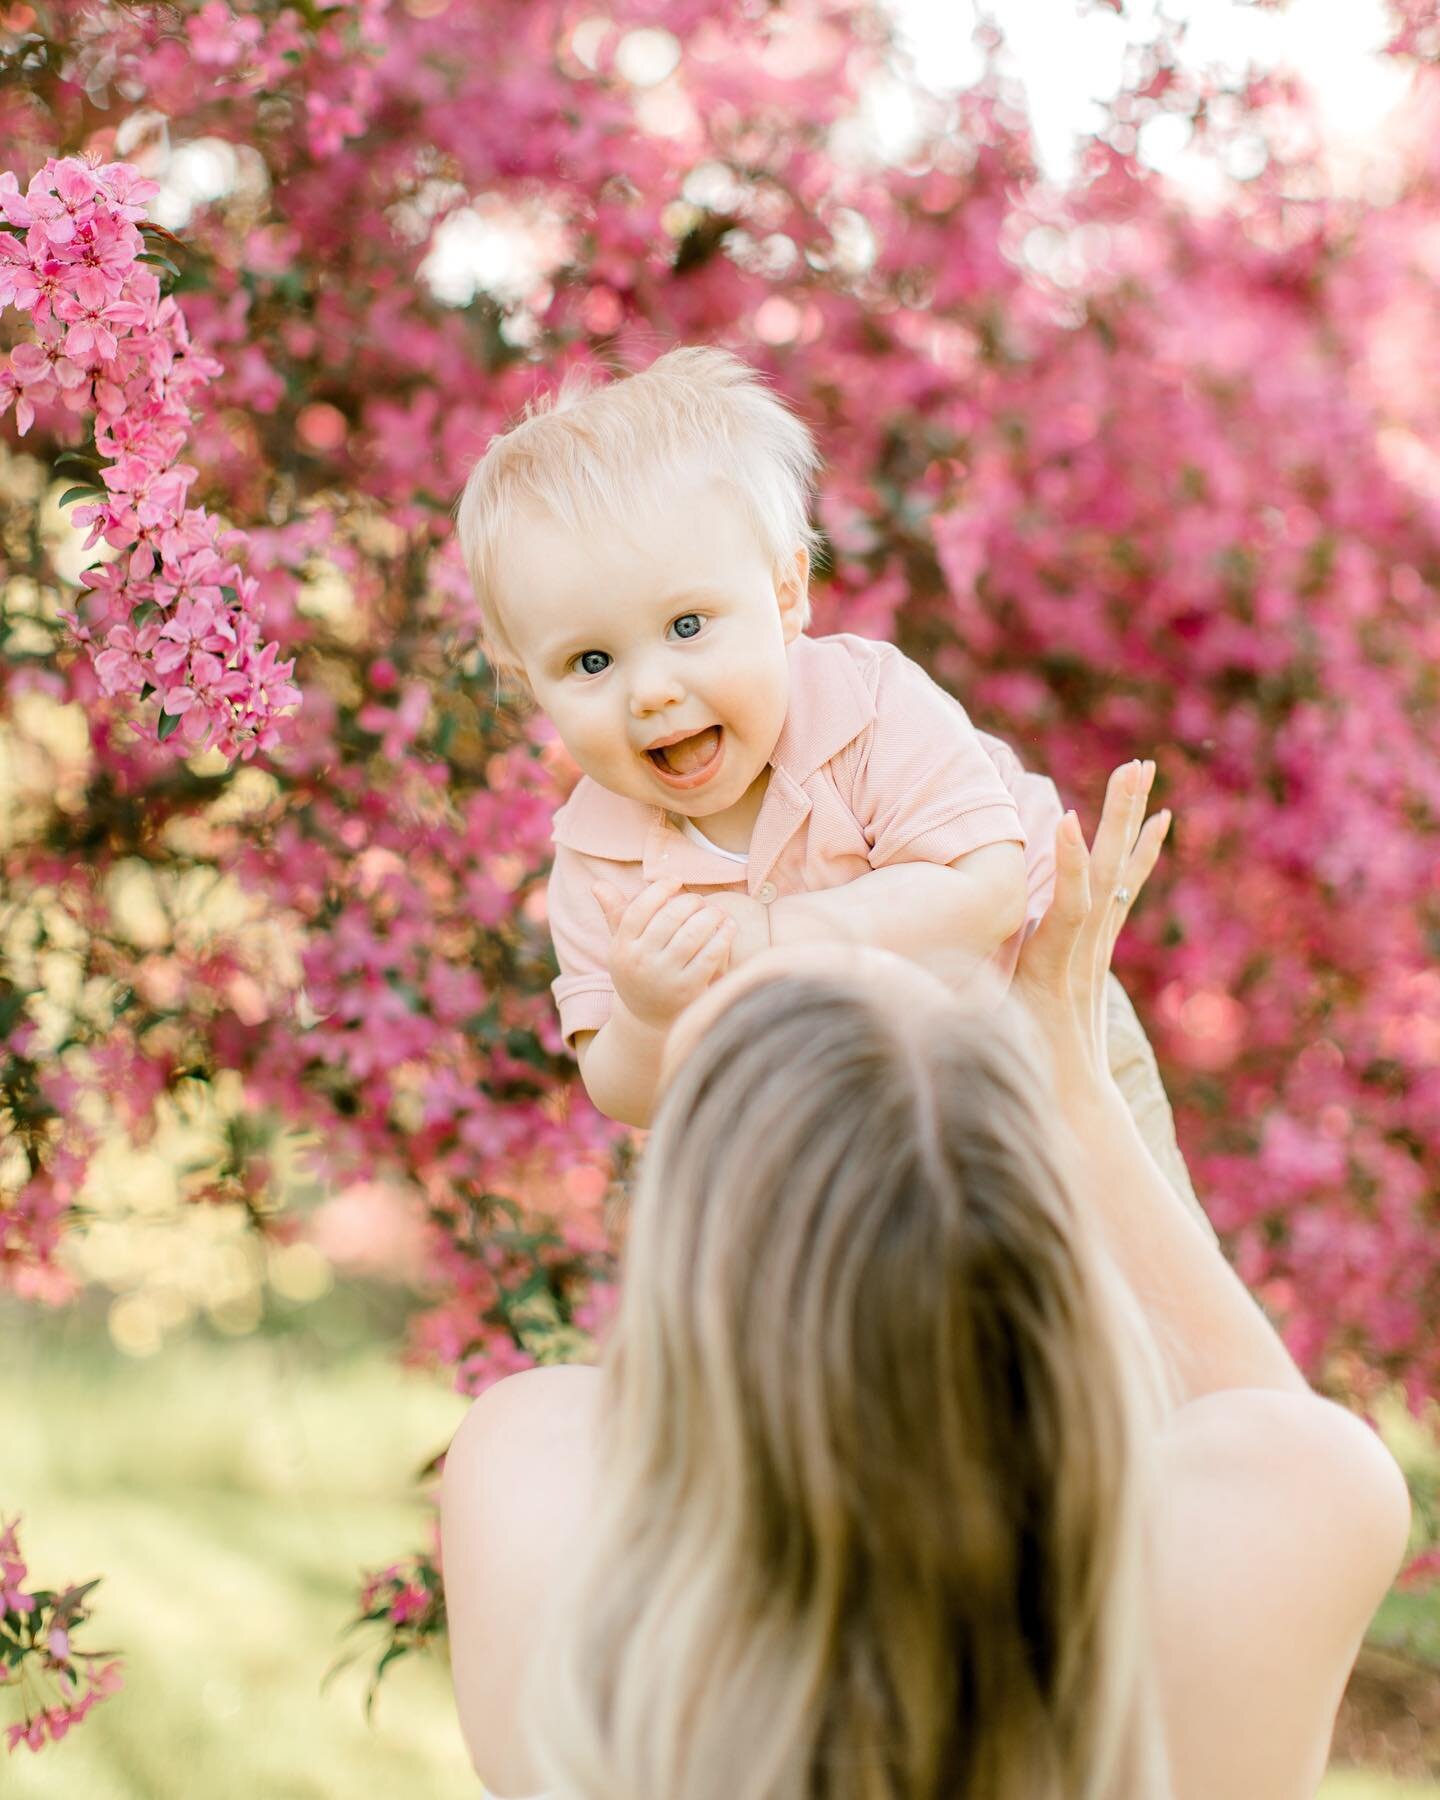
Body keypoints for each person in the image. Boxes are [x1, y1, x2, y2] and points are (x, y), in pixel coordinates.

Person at [439, 762, 1412, 1800]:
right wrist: (1072, 1080)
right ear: (1040, 1252)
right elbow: (1264, 1423)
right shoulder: (1266, 1542)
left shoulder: (541, 1514)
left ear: (696, 1255)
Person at [453, 346, 1211, 1241]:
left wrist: (775, 943)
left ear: (783, 601)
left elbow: (985, 889)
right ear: (528, 683)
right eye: (590, 661)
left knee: (1142, 1274)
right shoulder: (601, 854)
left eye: (687, 626)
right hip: (857, 1121)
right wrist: (649, 1015)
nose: (649, 690)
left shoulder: (867, 708)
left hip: (1034, 1027)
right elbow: (622, 1089)